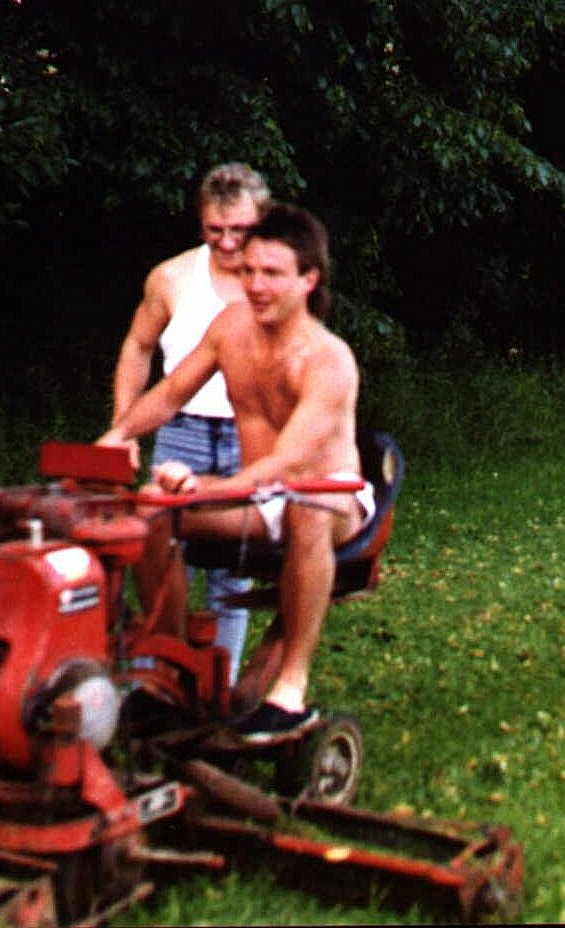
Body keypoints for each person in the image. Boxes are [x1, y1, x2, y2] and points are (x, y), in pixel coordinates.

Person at [99, 202, 372, 743]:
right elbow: (171, 393)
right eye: (248, 271)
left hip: (331, 499)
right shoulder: (231, 328)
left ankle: (289, 690)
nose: (255, 285)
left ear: (307, 279)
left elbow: (290, 463)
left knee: (306, 512)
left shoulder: (328, 359)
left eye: (272, 274)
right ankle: (170, 676)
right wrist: (117, 436)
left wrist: (206, 487)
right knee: (150, 511)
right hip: (260, 497)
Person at [111, 163, 270, 684]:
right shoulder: (172, 277)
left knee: (231, 575)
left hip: (251, 436)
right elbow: (137, 347)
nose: (227, 244)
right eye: (214, 231)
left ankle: (214, 692)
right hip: (183, 430)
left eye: (240, 232)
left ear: (263, 221)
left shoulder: (276, 283)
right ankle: (160, 677)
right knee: (160, 554)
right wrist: (122, 428)